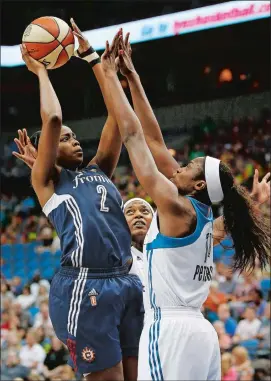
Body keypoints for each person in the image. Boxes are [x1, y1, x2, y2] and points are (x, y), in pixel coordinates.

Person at [101, 32, 270, 380]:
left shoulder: (177, 209)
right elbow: (156, 141)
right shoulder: (207, 220)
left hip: (170, 332)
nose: (178, 166)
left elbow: (134, 137)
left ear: (197, 185)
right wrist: (131, 76)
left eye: (189, 166)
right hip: (200, 334)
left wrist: (106, 77)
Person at [17, 22, 143, 381]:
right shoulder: (48, 182)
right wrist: (40, 71)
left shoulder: (99, 168)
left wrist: (93, 60)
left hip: (125, 281)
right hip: (83, 285)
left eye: (75, 138)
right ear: (47, 151)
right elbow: (53, 117)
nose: (75, 141)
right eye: (66, 139)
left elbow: (120, 117)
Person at [124, 198, 154, 285]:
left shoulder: (167, 254)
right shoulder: (116, 258)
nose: (138, 215)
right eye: (130, 212)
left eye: (144, 211)